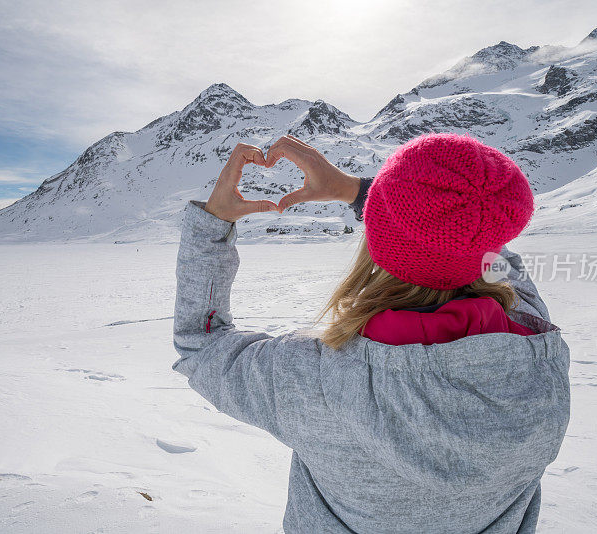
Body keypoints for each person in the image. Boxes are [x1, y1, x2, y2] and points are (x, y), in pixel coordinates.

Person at [172, 133, 571, 533]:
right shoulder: (539, 349)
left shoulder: (310, 377)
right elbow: (489, 254)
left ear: (377, 242)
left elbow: (202, 345)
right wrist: (365, 193)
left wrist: (214, 224)